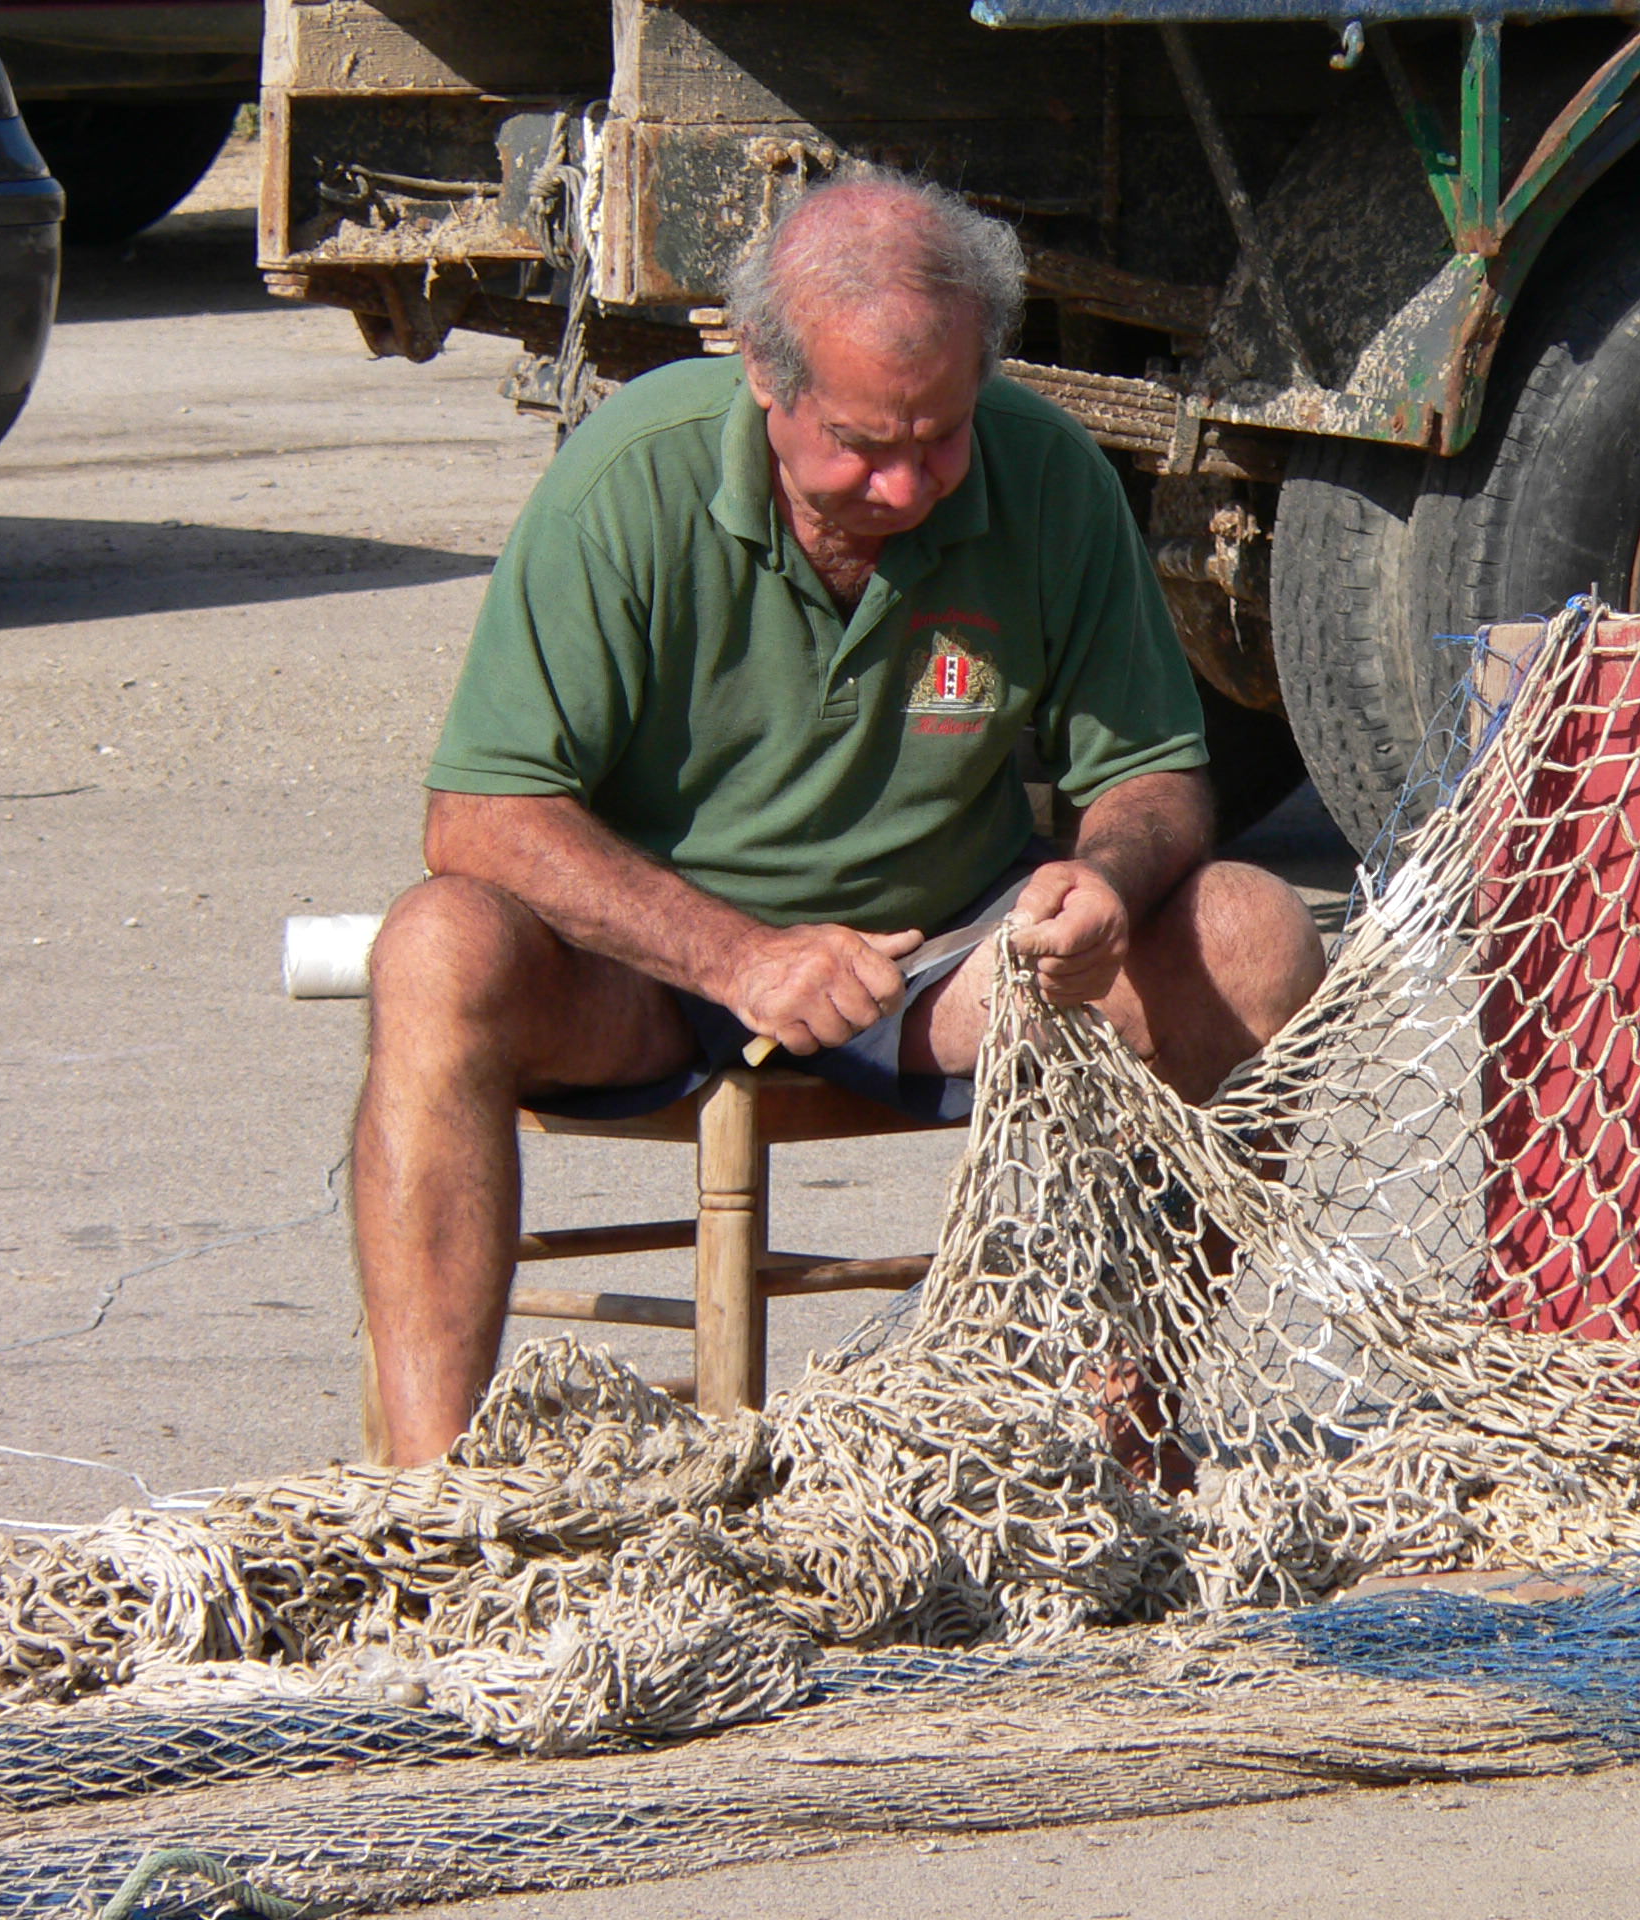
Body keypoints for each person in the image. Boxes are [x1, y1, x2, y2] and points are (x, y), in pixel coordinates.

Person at [353, 164, 1327, 1467]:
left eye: (942, 437)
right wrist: (737, 957)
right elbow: (481, 815)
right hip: (649, 970)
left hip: (946, 963)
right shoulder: (627, 480)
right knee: (434, 948)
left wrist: (1108, 879)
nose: (908, 487)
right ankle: (429, 1494)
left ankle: (1122, 1434)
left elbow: (1152, 771)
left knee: (1253, 933)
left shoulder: (1048, 474)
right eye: (865, 445)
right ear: (766, 374)